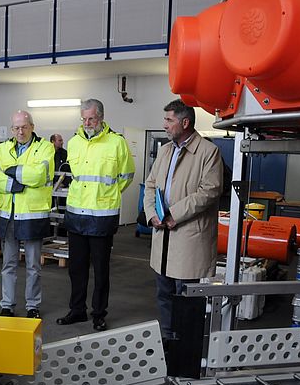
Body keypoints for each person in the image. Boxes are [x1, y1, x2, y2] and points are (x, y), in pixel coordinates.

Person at [144, 99, 223, 340]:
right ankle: (169, 340)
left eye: (169, 120)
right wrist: (152, 214)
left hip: (189, 237)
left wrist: (173, 214)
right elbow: (150, 185)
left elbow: (209, 191)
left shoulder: (209, 152)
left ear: (185, 122)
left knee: (187, 297)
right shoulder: (166, 150)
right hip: (163, 236)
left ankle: (187, 346)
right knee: (164, 294)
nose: (164, 125)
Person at [56, 99, 135, 331]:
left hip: (102, 216)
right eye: (84, 119)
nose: (87, 123)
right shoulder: (74, 142)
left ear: (101, 117)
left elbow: (126, 175)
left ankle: (99, 313)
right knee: (76, 268)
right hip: (76, 215)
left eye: (91, 118)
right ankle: (77, 310)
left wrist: (106, 195)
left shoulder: (117, 143)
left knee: (101, 270)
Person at [0, 111, 55, 318]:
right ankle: (7, 304)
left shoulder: (45, 148)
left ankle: (32, 306)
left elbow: (39, 175)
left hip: (32, 215)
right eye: (16, 128)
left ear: (32, 127)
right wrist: (15, 183)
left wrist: (10, 170)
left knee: (33, 265)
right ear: (12, 129)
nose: (20, 131)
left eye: (24, 127)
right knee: (8, 264)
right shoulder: (1, 149)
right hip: (8, 215)